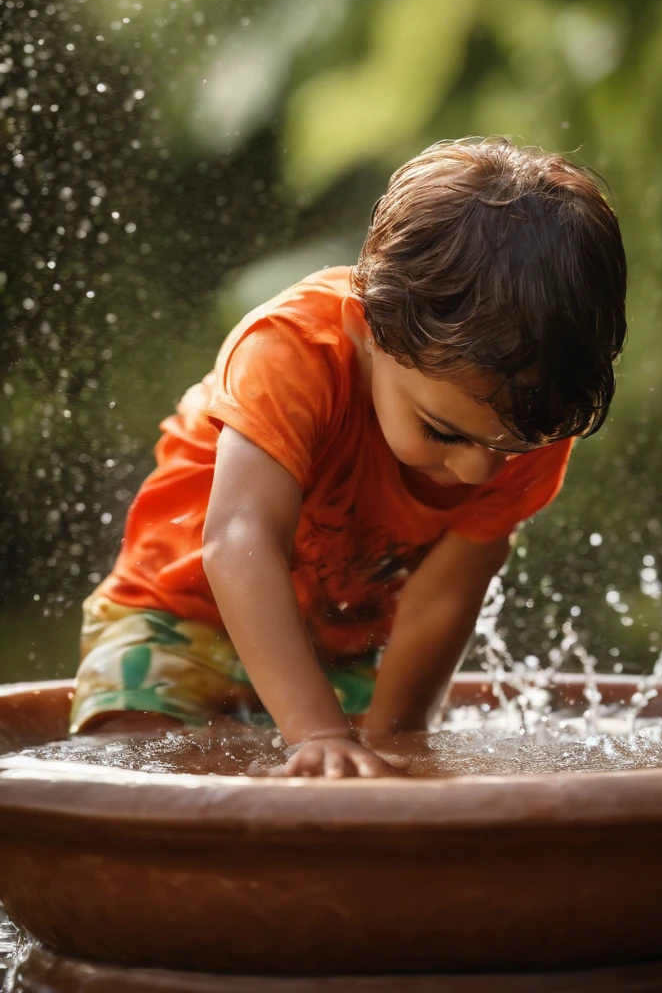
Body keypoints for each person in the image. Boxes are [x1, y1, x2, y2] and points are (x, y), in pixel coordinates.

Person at [70, 137, 627, 777]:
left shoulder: (528, 414)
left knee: (381, 766)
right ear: (369, 327)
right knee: (129, 757)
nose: (478, 470)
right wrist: (314, 732)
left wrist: (396, 748)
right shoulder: (294, 351)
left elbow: (440, 601)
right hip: (180, 613)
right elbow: (238, 536)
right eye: (444, 433)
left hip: (340, 650)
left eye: (504, 450)